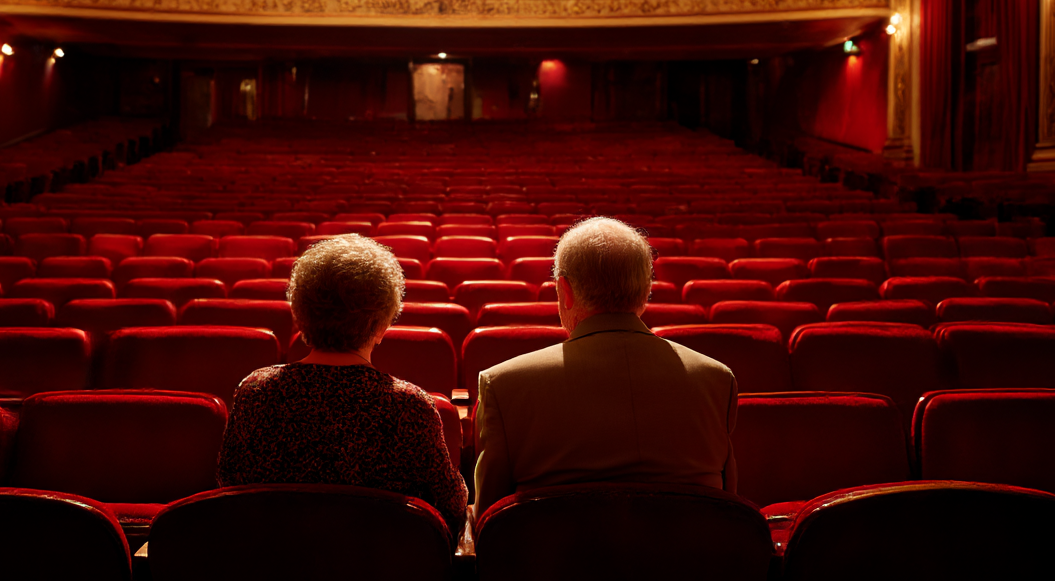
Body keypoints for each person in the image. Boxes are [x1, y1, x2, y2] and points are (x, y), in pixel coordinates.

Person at [473, 217, 738, 519]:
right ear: (645, 290)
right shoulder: (717, 380)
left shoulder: (504, 386)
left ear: (565, 290)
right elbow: (726, 514)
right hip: (687, 565)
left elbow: (489, 525)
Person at [217, 233, 468, 539]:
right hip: (377, 576)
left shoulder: (255, 391)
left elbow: (229, 487)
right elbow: (451, 510)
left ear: (300, 316)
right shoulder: (408, 405)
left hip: (276, 573)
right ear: (381, 325)